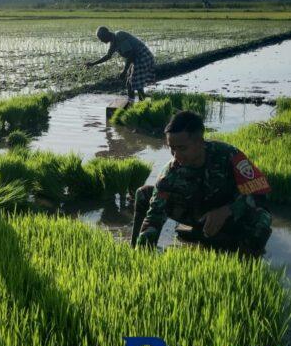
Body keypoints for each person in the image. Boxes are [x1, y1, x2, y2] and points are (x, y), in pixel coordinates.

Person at [131, 110, 273, 255]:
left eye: (182, 148)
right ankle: (134, 249)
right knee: (143, 193)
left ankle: (246, 260)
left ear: (199, 142)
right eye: (172, 149)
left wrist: (228, 210)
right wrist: (141, 254)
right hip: (194, 214)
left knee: (262, 217)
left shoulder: (229, 155)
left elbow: (260, 191)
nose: (176, 155)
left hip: (228, 216)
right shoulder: (169, 174)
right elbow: (154, 216)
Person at [85, 26, 155, 100]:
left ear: (106, 34)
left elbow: (131, 54)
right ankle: (131, 102)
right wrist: (92, 64)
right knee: (129, 83)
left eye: (101, 38)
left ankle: (143, 101)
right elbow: (108, 56)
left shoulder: (119, 36)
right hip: (136, 59)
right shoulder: (113, 42)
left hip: (142, 57)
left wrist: (125, 71)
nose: (101, 41)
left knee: (135, 83)